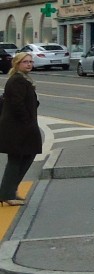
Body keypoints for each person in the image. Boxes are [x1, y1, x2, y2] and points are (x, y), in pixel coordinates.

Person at [0, 52, 42, 206]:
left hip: (21, 125)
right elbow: (17, 105)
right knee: (17, 159)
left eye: (30, 61)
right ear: (17, 64)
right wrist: (27, 121)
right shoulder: (17, 80)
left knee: (25, 156)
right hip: (17, 127)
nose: (29, 64)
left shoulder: (23, 79)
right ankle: (7, 193)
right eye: (25, 62)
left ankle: (10, 190)